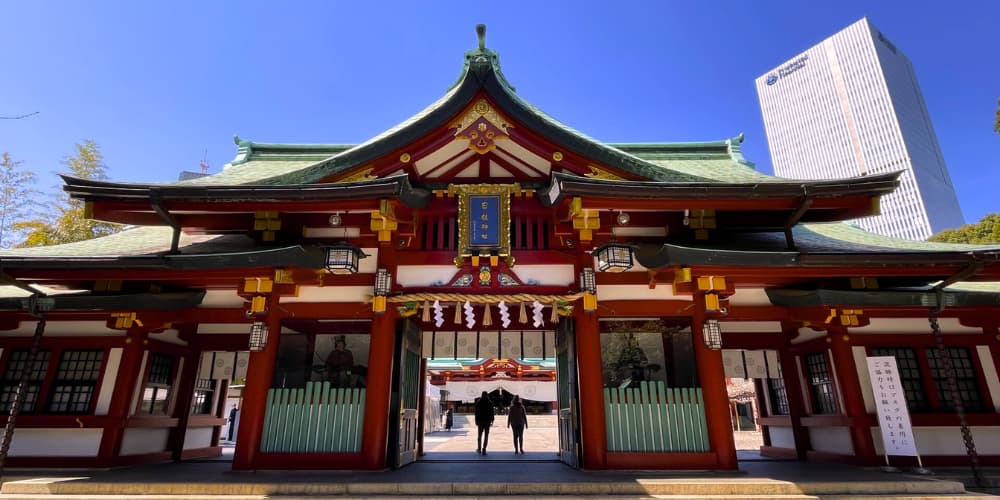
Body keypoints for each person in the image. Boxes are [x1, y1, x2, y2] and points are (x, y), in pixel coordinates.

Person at [474, 391, 494, 455]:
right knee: (486, 436)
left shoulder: (478, 402)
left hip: (480, 421)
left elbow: (476, 413)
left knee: (479, 435)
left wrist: (476, 421)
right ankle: (484, 449)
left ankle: (479, 448)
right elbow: (492, 412)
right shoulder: (489, 402)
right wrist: (492, 420)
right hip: (487, 421)